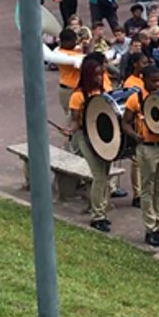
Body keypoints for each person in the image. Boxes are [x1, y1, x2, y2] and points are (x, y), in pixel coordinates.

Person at [123, 65, 159, 247]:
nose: (157, 84)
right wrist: (135, 136)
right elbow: (126, 123)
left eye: (158, 80)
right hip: (147, 147)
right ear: (143, 79)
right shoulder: (135, 98)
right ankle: (150, 228)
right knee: (147, 188)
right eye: (153, 81)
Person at [67, 53, 113, 232]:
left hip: (103, 138)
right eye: (95, 74)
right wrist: (70, 130)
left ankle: (102, 209)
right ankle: (97, 215)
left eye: (100, 74)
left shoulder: (103, 92)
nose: (99, 77)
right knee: (98, 176)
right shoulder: (77, 96)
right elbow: (75, 122)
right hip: (86, 138)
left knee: (105, 175)